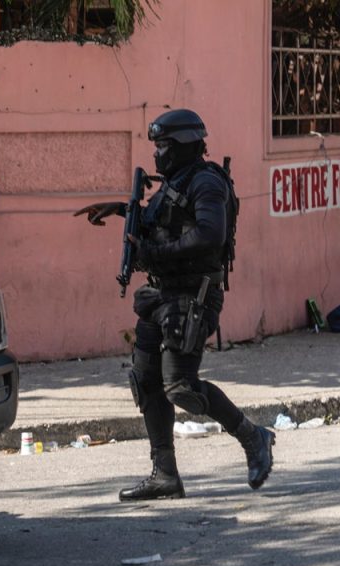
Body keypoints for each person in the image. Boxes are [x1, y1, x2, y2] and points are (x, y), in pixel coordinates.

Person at [73, 109, 274, 500]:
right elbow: (161, 220)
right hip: (161, 295)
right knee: (146, 380)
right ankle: (164, 474)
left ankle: (253, 436)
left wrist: (155, 254)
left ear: (183, 145)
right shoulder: (176, 181)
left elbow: (210, 235)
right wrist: (122, 210)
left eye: (163, 145)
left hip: (192, 296)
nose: (157, 153)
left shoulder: (206, 182)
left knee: (180, 386)